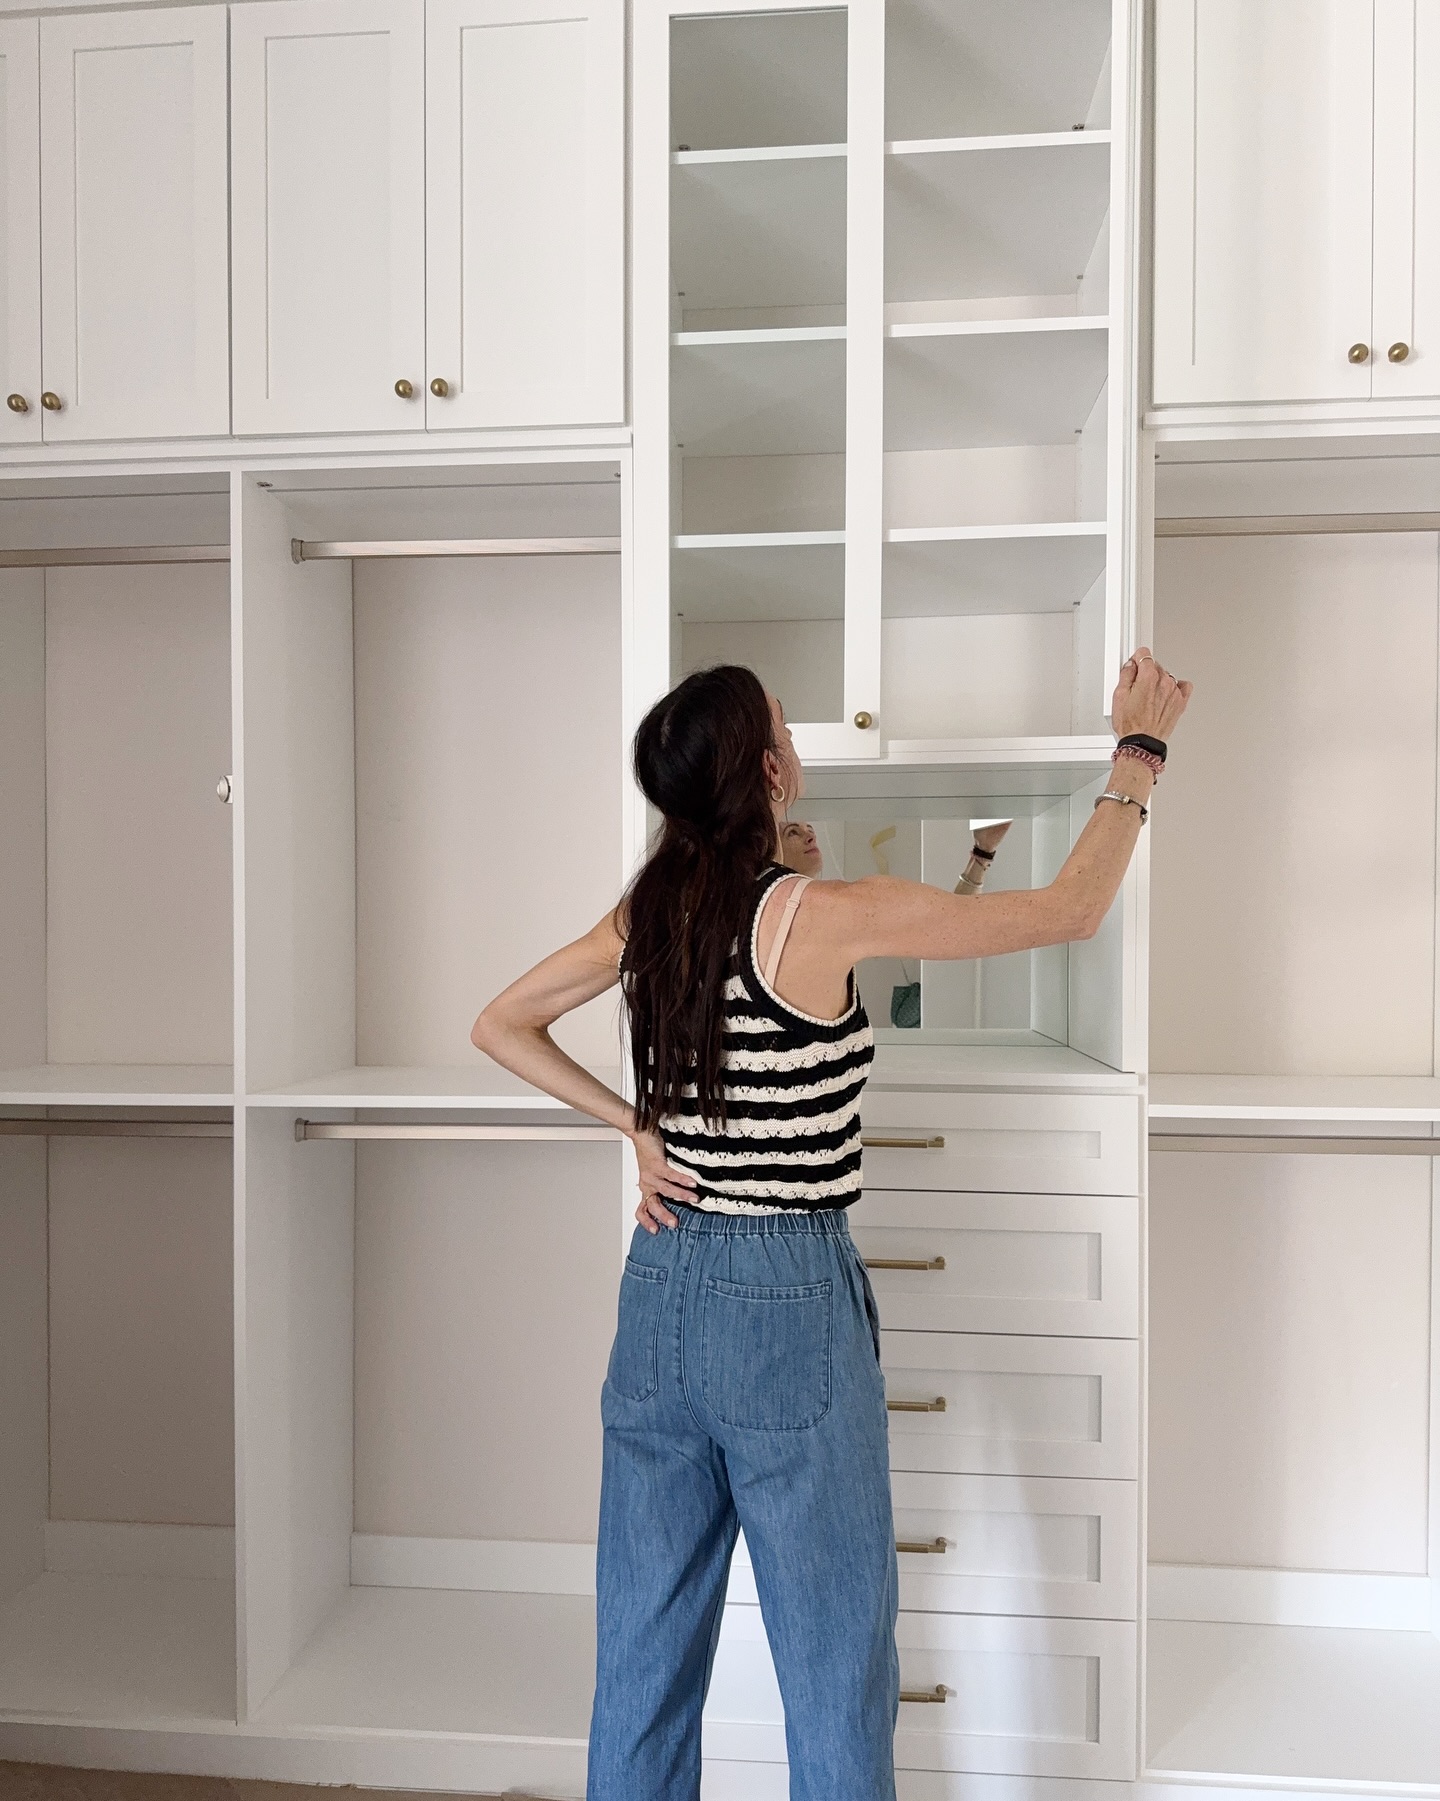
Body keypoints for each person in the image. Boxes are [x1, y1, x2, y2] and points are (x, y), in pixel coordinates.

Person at [471, 650, 1191, 1801]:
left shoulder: (647, 914)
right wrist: (1138, 755)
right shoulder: (821, 917)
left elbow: (501, 1022)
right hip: (784, 1301)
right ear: (769, 770)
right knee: (834, 1664)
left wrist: (634, 1127)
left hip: (657, 1291)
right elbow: (1070, 909)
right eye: (783, 730)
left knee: (643, 1663)